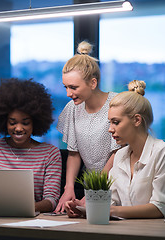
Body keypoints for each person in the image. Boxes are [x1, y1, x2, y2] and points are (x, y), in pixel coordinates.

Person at [65, 80, 165, 219]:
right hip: (123, 231)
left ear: (137, 120)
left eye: (116, 122)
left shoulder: (164, 152)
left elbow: (159, 208)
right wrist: (84, 208)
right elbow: (112, 201)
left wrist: (110, 211)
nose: (110, 129)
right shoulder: (120, 155)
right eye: (110, 123)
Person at [54, 41, 120, 212]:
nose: (68, 93)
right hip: (89, 188)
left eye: (73, 87)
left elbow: (119, 152)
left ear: (93, 83)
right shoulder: (72, 109)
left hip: (117, 185)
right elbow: (74, 153)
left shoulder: (117, 103)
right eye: (66, 87)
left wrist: (95, 189)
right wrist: (68, 188)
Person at [0, 78, 62, 213]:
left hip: (32, 221)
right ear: (4, 122)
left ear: (35, 122)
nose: (18, 128)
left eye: (25, 123)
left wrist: (23, 209)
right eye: (12, 122)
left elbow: (51, 200)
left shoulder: (50, 153)